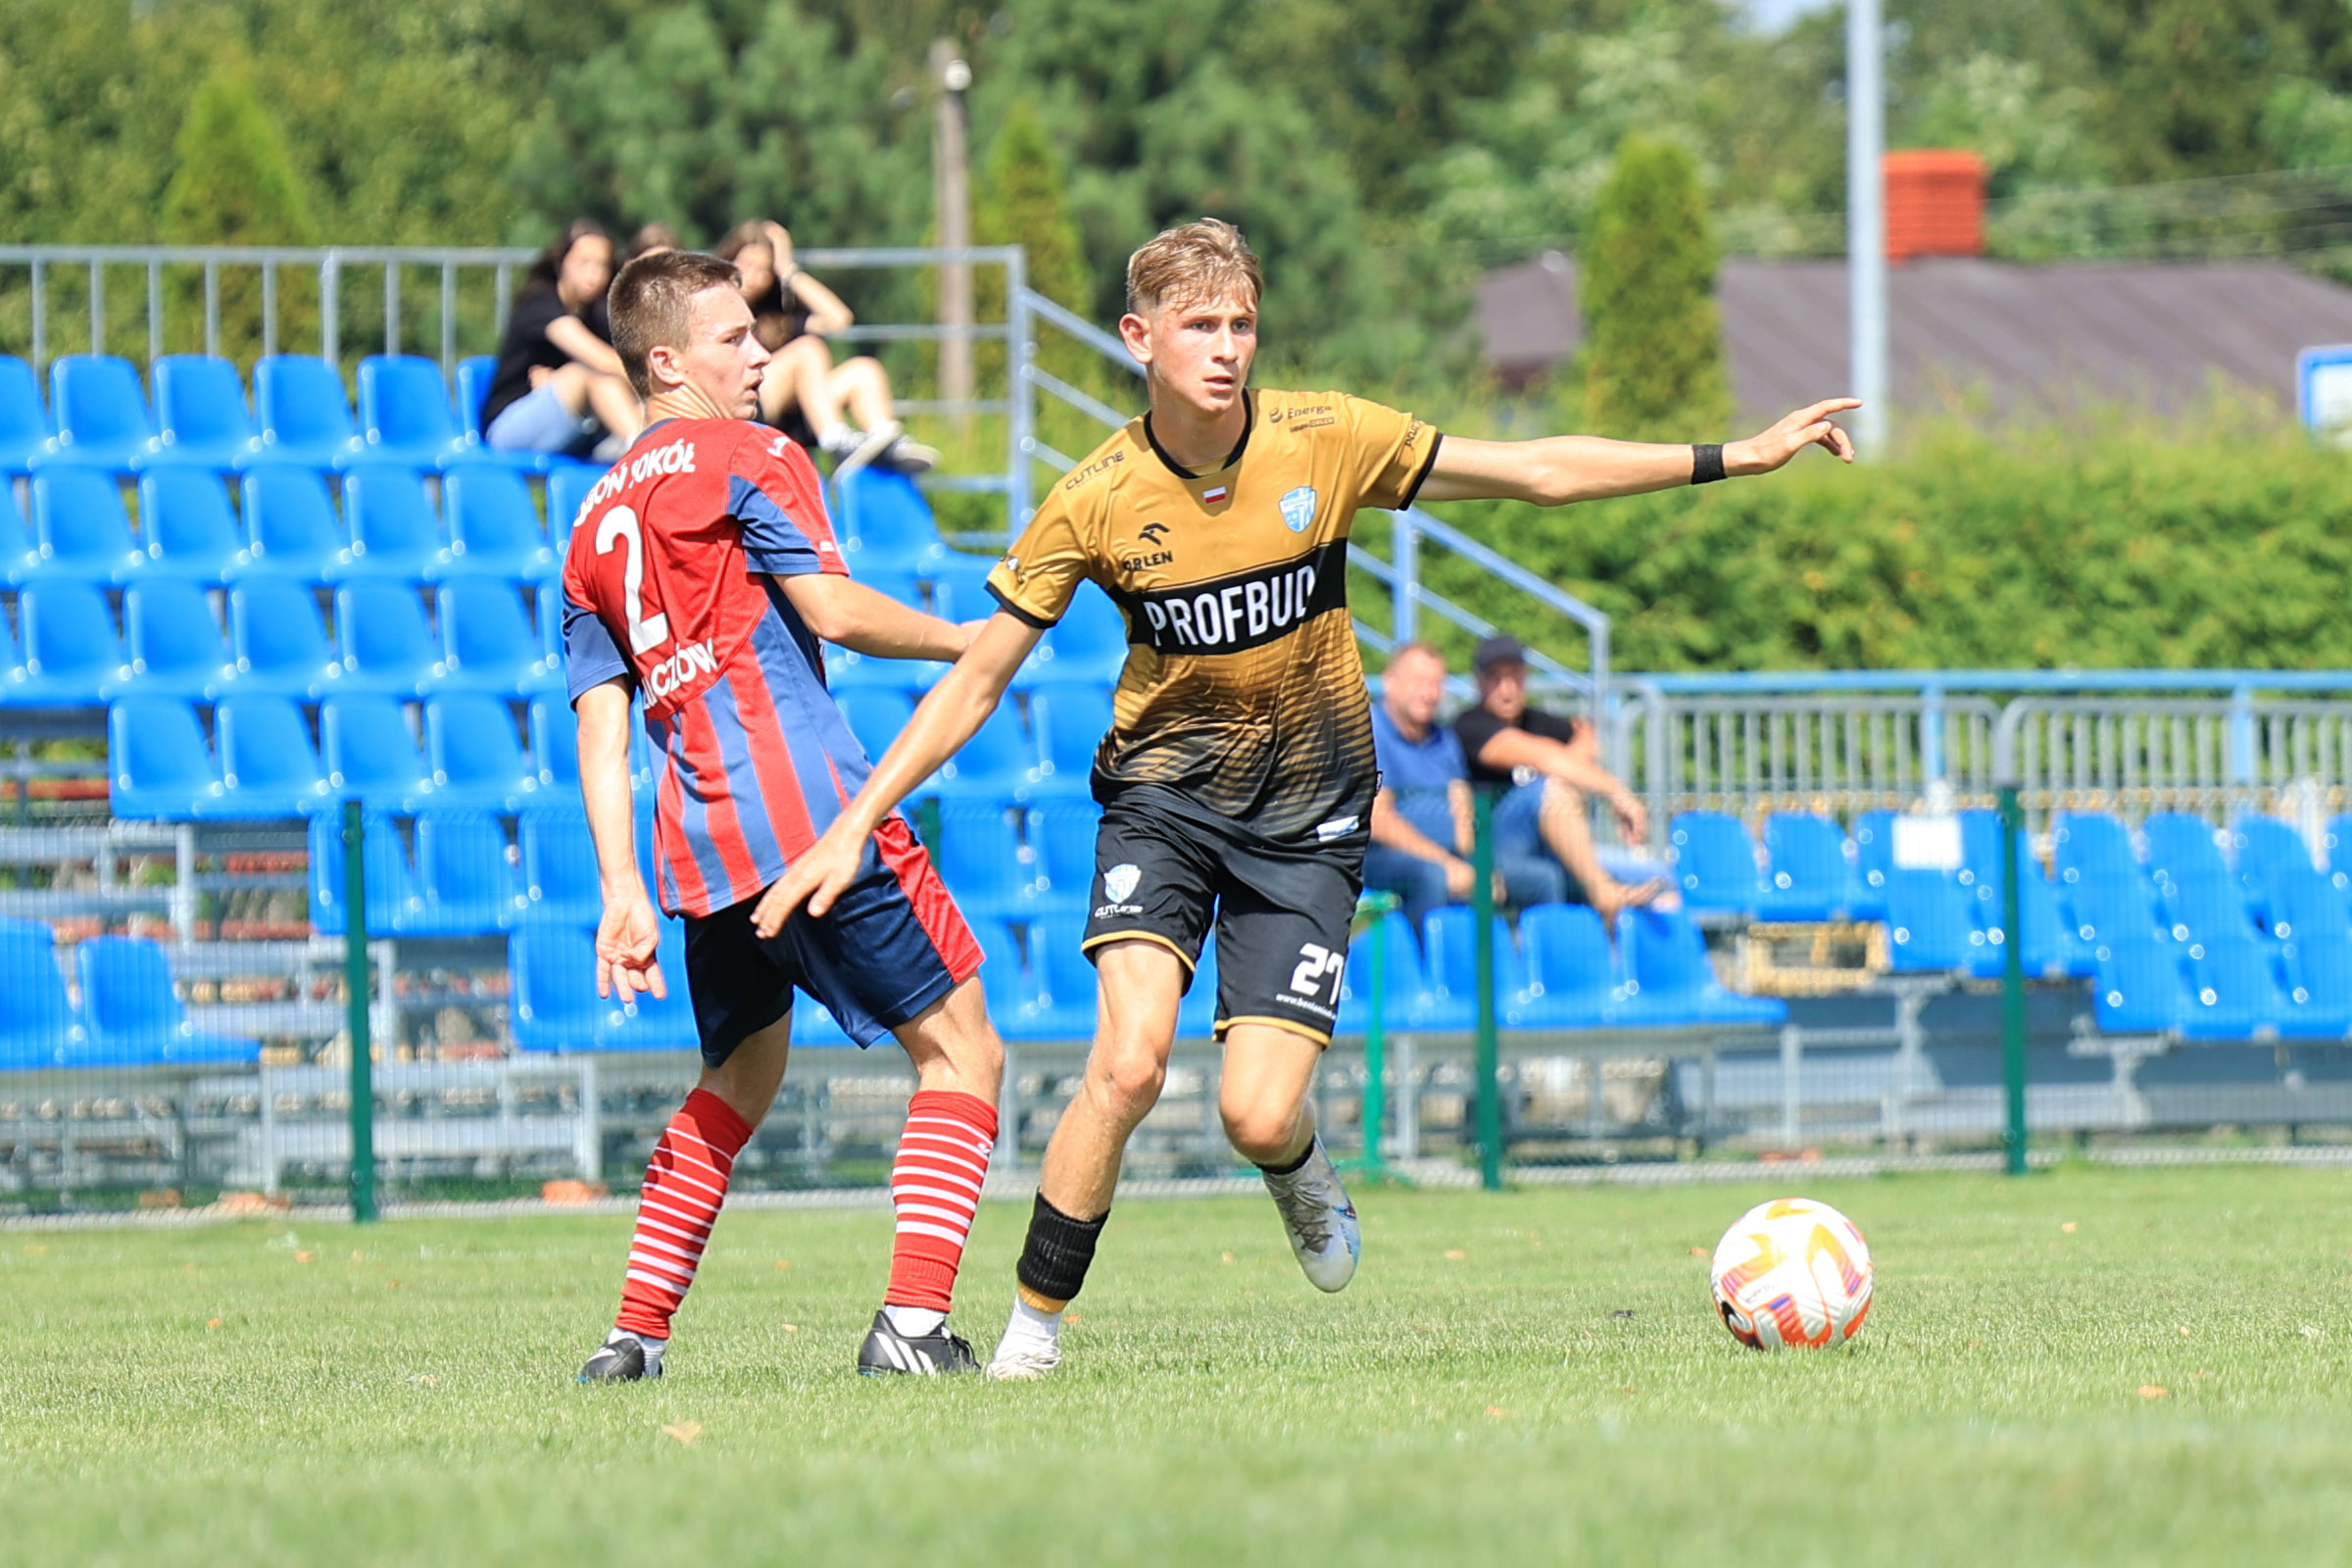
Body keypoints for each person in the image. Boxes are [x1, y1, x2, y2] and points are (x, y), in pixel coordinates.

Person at [755, 218, 1856, 1381]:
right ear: (1139, 338)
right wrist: (853, 820)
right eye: (1198, 326)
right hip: (1163, 807)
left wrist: (1734, 453)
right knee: (1125, 1063)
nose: (1227, 347)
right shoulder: (1095, 497)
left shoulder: (1327, 439)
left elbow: (1533, 472)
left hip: (1312, 819)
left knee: (1254, 1112)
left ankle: (1298, 1170)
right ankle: (1029, 1340)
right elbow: (977, 680)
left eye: (1241, 324)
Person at [566, 248, 1004, 1384]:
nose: (760, 353)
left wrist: (621, 891)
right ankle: (912, 1327)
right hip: (812, 815)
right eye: (732, 338)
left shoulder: (590, 522)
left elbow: (602, 729)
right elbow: (835, 611)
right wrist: (972, 638)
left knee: (738, 1080)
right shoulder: (753, 453)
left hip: (699, 847)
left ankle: (634, 1337)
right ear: (666, 361)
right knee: (964, 1055)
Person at [1453, 635, 1668, 922]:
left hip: (1551, 845)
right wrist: (1616, 792)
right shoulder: (1470, 725)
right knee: (1553, 788)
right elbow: (1546, 758)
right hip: (1495, 844)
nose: (1507, 689)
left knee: (1661, 882)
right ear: (1479, 682)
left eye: (1515, 677)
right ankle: (1603, 894)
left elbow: (1585, 740)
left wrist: (1569, 762)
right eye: (1496, 678)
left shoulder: (1538, 721)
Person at [1364, 641, 1568, 938]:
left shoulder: (1443, 740)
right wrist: (1447, 864)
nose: (1428, 693)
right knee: (1431, 877)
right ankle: (1434, 976)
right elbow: (1379, 819)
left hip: (1451, 857)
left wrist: (1479, 867)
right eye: (1419, 682)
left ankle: (1544, 970)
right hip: (1382, 858)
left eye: (1436, 683)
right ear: (1390, 682)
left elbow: (1463, 813)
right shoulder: (1371, 733)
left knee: (1541, 878)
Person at [715, 219, 937, 473]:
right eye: (746, 265)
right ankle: (836, 443)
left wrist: (788, 271)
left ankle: (887, 446)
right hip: (753, 404)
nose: (753, 277)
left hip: (800, 412)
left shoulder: (780, 317)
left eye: (764, 270)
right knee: (809, 349)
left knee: (865, 371)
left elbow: (839, 319)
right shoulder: (718, 309)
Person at [482, 220, 645, 461]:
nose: (594, 274)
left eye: (602, 265)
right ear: (561, 263)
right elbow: (602, 360)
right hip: (509, 427)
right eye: (584, 263)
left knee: (606, 384)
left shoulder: (598, 313)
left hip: (577, 426)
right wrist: (652, 384)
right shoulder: (541, 303)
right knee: (584, 375)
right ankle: (644, 455)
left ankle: (647, 447)